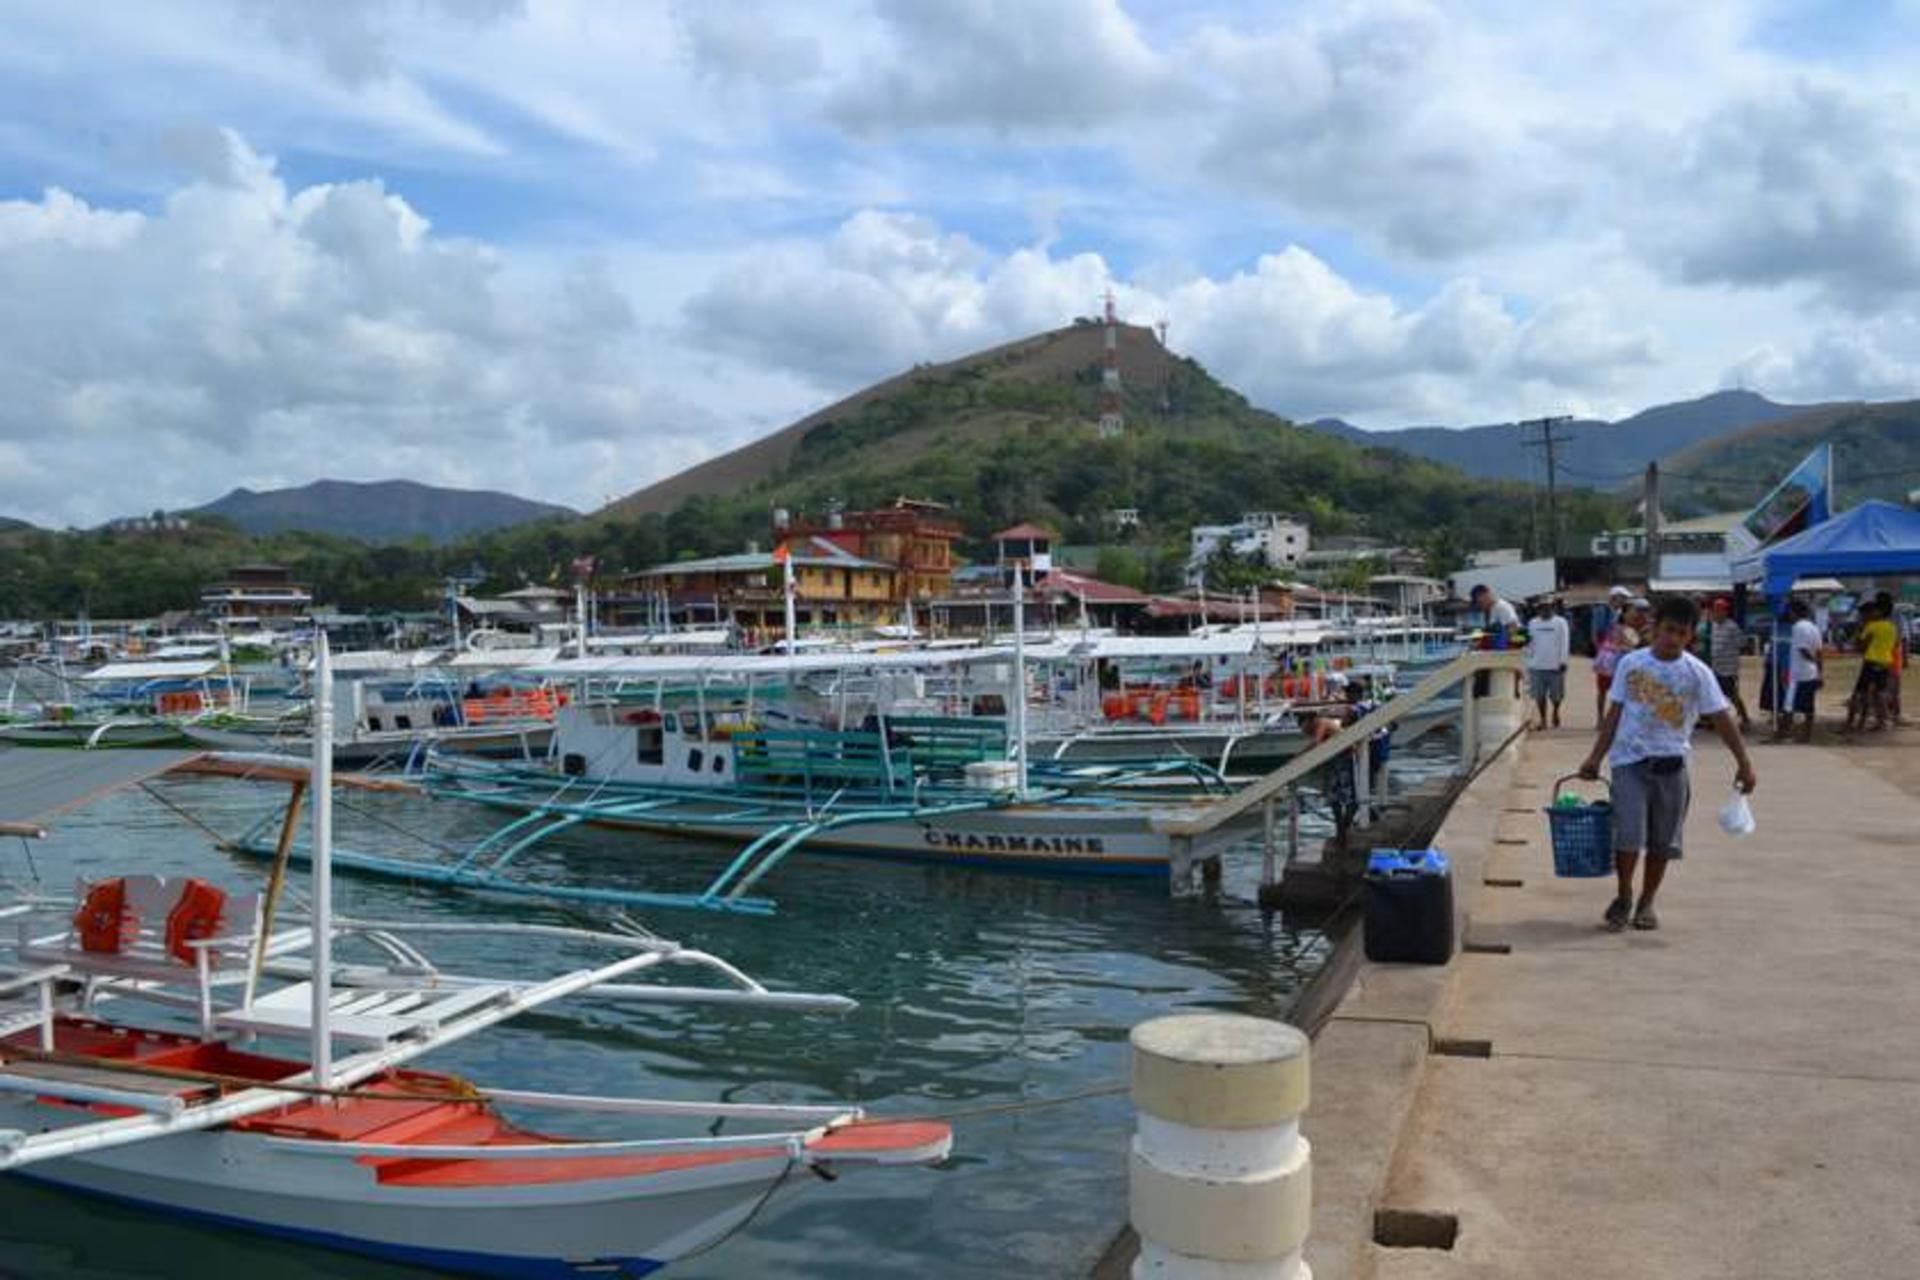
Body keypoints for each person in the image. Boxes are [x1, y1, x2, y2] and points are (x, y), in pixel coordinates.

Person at [1579, 595, 1756, 932]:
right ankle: (1624, 894)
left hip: (1672, 766)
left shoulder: (1697, 672)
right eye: (1668, 630)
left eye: (1681, 633)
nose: (1673, 638)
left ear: (1690, 636)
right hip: (1630, 762)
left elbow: (1722, 718)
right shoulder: (1631, 664)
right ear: (1655, 628)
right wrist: (1595, 757)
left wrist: (1744, 763)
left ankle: (1647, 901)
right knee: (1628, 836)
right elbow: (1615, 713)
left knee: (1663, 842)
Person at [1773, 599, 1824, 743]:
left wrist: (1812, 660)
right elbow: (1819, 651)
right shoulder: (1814, 627)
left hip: (1799, 673)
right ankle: (1806, 734)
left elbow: (1802, 650)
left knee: (1789, 705)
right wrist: (1820, 671)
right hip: (1811, 673)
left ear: (1793, 612)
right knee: (1808, 706)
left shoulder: (1798, 627)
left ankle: (1783, 733)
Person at [1845, 600, 1897, 733]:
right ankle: (1883, 721)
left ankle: (1856, 723)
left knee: (1860, 693)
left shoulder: (1871, 626)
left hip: (1871, 661)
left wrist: (1858, 634)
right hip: (1886, 662)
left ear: (1875, 612)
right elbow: (1894, 645)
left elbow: (1861, 647)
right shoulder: (1892, 626)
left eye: (1865, 614)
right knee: (1879, 693)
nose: (1864, 617)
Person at [1705, 597, 1752, 733]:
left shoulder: (1732, 627)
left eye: (1720, 611)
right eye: (1715, 610)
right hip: (1715, 666)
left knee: (1732, 695)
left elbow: (1742, 643)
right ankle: (1714, 720)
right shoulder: (1713, 626)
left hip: (1728, 668)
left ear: (1726, 612)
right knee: (1714, 694)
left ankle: (1745, 718)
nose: (1717, 613)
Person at [1524, 596, 1571, 728]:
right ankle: (1543, 719)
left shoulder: (1561, 622)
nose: (1545, 610)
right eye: (1542, 607)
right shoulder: (1533, 623)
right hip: (1537, 665)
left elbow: (1565, 642)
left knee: (1557, 696)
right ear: (1538, 609)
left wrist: (1563, 661)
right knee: (1539, 695)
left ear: (1553, 608)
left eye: (1548, 607)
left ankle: (1555, 711)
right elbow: (1529, 643)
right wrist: (1528, 661)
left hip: (1555, 665)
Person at [1593, 596, 1640, 721]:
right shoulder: (1617, 627)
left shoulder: (1634, 629)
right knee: (1604, 691)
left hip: (1620, 664)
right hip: (1610, 663)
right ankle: (1601, 718)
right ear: (1624, 614)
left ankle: (1612, 719)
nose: (1634, 614)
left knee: (1621, 693)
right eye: (1632, 611)